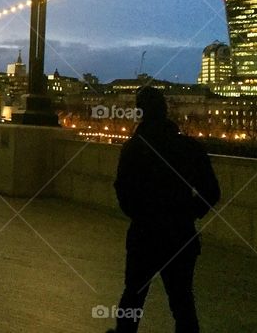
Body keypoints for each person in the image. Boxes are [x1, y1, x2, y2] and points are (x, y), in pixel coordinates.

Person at [108, 87, 221, 333]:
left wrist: (142, 215)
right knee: (182, 300)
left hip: (144, 234)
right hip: (181, 234)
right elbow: (212, 192)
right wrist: (187, 213)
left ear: (141, 111)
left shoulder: (133, 148)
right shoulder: (190, 147)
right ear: (166, 110)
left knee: (133, 296)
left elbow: (123, 192)